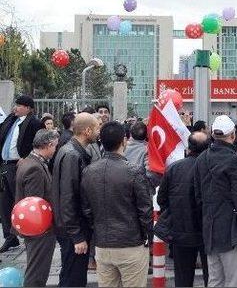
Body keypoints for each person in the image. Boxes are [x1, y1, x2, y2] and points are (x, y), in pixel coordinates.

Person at [81, 121, 152, 287]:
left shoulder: (89, 171)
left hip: (102, 244)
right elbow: (145, 211)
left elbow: (86, 209)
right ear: (124, 141)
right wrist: (146, 237)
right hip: (131, 244)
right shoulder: (134, 171)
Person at [194, 115, 237, 287]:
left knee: (216, 281)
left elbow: (198, 195)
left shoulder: (202, 158)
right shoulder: (235, 159)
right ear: (232, 136)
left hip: (211, 229)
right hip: (233, 232)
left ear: (213, 135)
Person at [156, 131, 210, 288]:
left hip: (180, 230)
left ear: (189, 148)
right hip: (207, 231)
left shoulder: (174, 168)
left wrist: (175, 211)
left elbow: (162, 199)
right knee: (212, 276)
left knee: (182, 278)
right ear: (208, 148)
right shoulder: (211, 169)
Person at [52, 112, 100, 287]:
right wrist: (77, 235)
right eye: (97, 128)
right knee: (74, 279)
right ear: (87, 131)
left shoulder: (71, 150)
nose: (98, 132)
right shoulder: (72, 155)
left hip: (70, 228)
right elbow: (68, 197)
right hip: (73, 230)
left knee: (70, 275)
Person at [15, 129, 58, 287]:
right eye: (55, 146)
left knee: (36, 270)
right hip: (39, 231)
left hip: (36, 230)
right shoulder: (35, 168)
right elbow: (34, 205)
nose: (55, 150)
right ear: (48, 144)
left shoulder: (30, 161)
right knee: (37, 273)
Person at [0, 94, 40, 252]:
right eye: (15, 105)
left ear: (28, 108)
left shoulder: (34, 123)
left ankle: (28, 233)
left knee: (20, 201)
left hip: (19, 166)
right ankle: (10, 237)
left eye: (19, 105)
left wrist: (27, 157)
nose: (15, 108)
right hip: (4, 166)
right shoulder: (10, 120)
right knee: (4, 203)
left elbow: (38, 144)